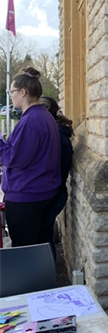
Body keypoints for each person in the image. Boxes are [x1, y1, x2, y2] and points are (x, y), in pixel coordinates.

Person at [0, 67, 61, 247]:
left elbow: (16, 160)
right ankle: (43, 276)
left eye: (11, 92)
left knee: (26, 251)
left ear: (23, 92)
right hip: (41, 192)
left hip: (27, 197)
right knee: (41, 246)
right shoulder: (42, 116)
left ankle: (33, 277)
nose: (11, 96)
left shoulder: (31, 121)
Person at [38, 96, 74, 250]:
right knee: (44, 237)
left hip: (53, 193)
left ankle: (46, 272)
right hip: (55, 192)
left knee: (43, 239)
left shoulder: (57, 138)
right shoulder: (58, 134)